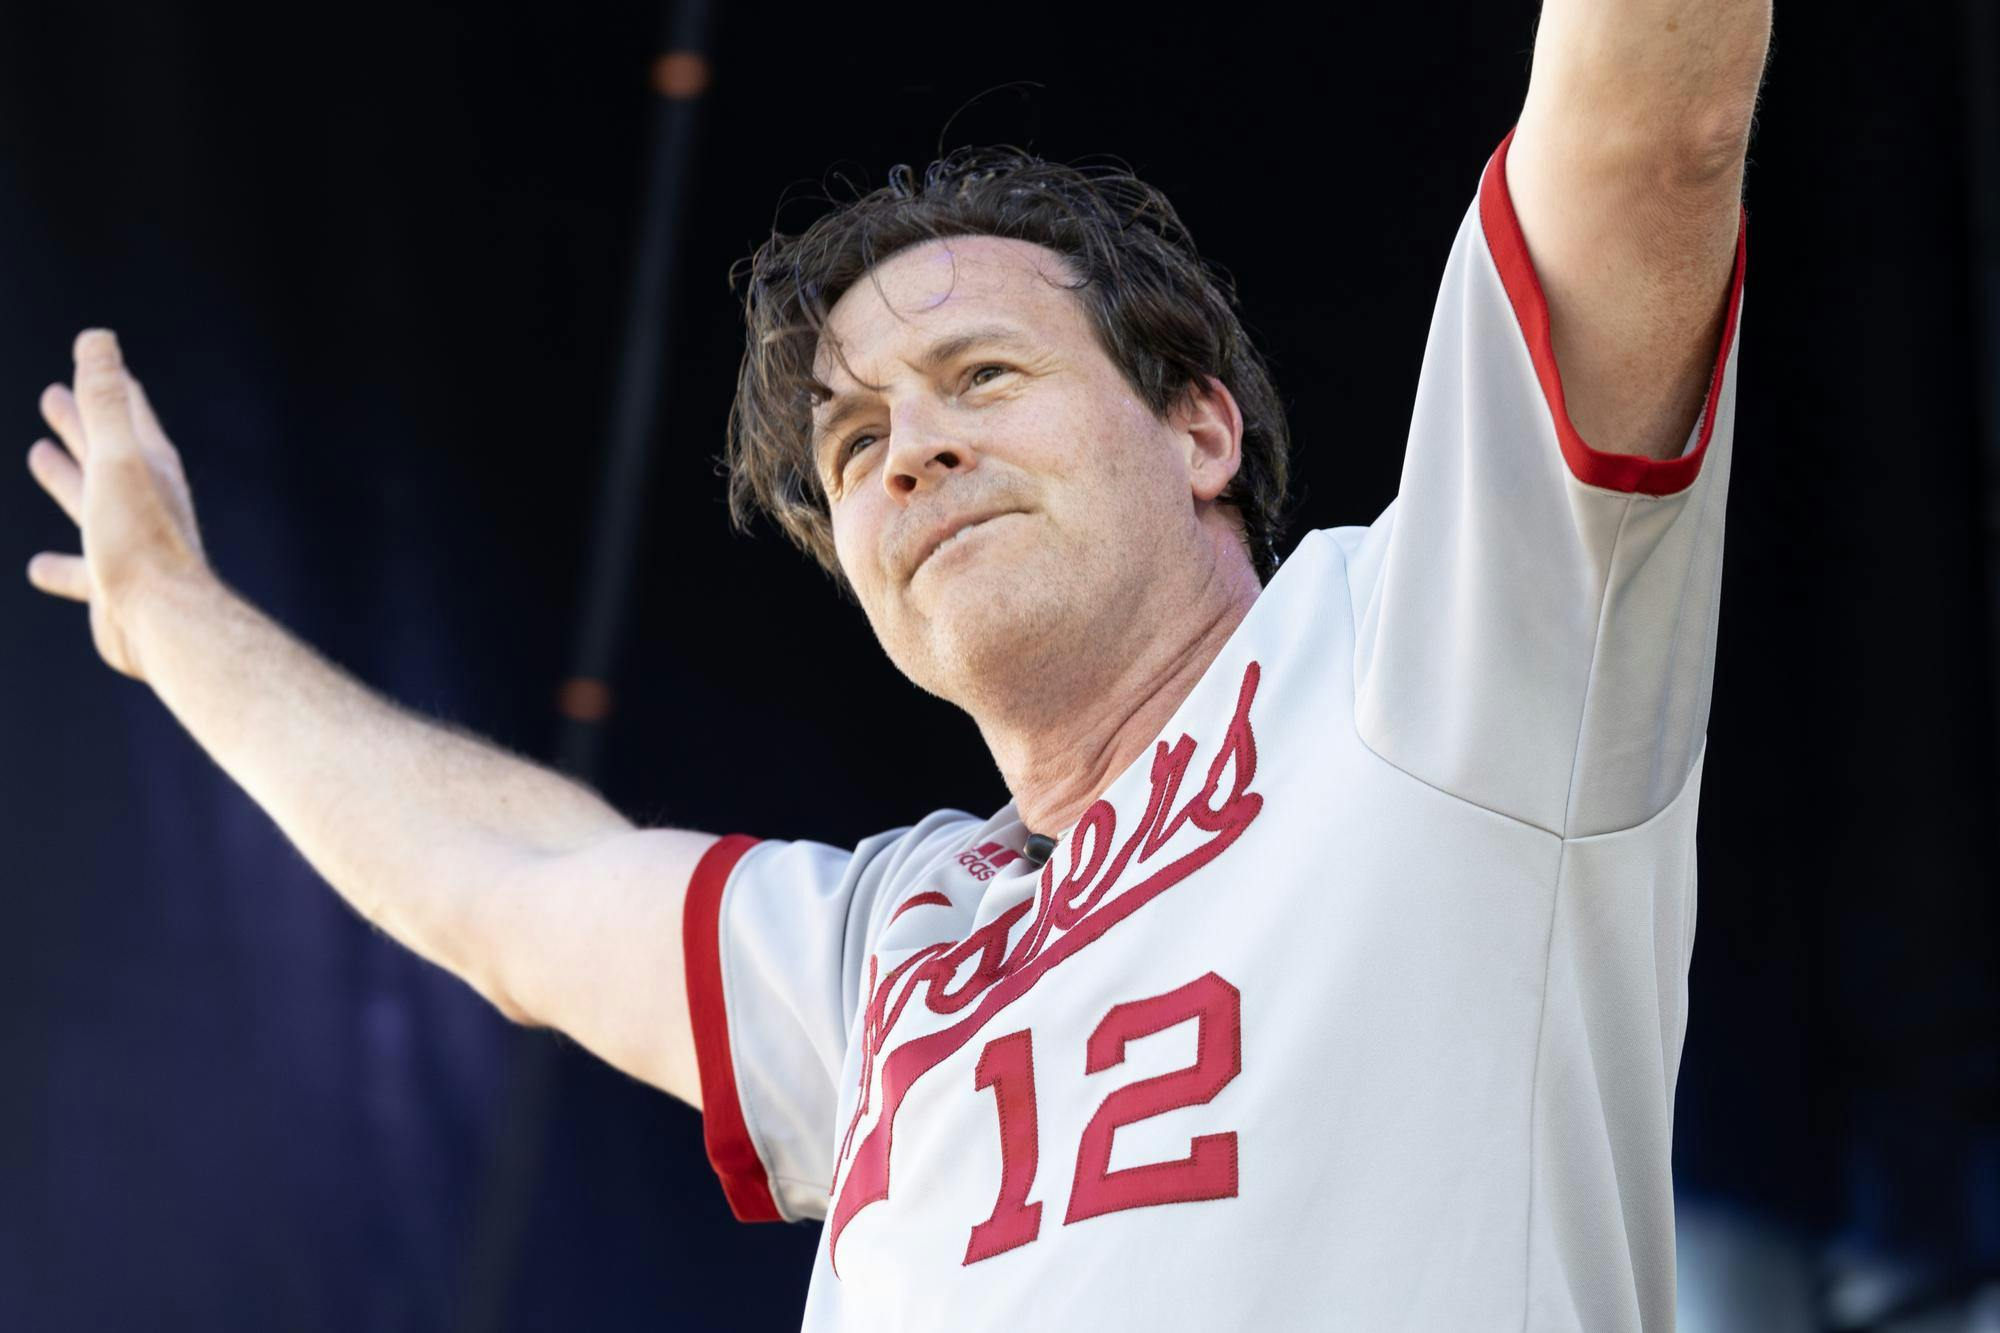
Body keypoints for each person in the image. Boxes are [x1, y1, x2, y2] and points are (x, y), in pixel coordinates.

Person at [23, 3, 1770, 1327]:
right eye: (855, 444)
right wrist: (168, 613)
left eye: (983, 377)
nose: (910, 452)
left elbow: (1649, 134)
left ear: (1201, 429)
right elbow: (503, 881)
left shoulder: (1433, 651)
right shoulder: (891, 941)